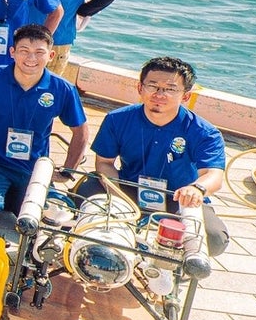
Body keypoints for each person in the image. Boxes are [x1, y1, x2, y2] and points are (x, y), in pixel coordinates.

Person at [89, 55, 231, 257]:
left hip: (179, 198)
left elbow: (213, 175)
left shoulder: (205, 132)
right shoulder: (116, 119)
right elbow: (104, 163)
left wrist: (196, 189)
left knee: (214, 239)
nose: (159, 94)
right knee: (82, 197)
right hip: (128, 188)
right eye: (152, 86)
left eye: (170, 89)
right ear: (140, 88)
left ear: (185, 96)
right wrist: (118, 195)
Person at [0, 24, 90, 219]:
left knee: (46, 214)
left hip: (33, 170)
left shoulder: (63, 88)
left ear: (51, 56)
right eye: (24, 51)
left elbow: (81, 131)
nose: (31, 58)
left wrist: (67, 171)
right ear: (12, 52)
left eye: (39, 52)